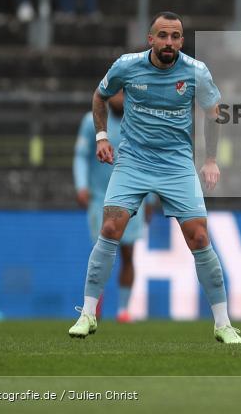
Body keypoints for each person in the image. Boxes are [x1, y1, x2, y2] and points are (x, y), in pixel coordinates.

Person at [68, 11, 241, 344]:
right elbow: (100, 96)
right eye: (163, 36)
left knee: (199, 238)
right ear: (151, 39)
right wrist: (101, 137)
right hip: (133, 162)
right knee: (110, 229)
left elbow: (214, 113)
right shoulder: (127, 66)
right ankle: (87, 314)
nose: (169, 43)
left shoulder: (195, 72)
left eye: (175, 36)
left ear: (181, 40)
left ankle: (223, 323)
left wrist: (210, 160)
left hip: (177, 164)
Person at [73, 89, 150, 323]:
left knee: (128, 254)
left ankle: (124, 310)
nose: (119, 98)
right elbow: (80, 155)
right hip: (100, 198)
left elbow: (148, 160)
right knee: (101, 253)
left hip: (133, 198)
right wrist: (81, 186)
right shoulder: (92, 121)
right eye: (115, 93)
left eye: (123, 93)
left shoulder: (139, 122)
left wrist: (153, 199)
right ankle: (93, 307)